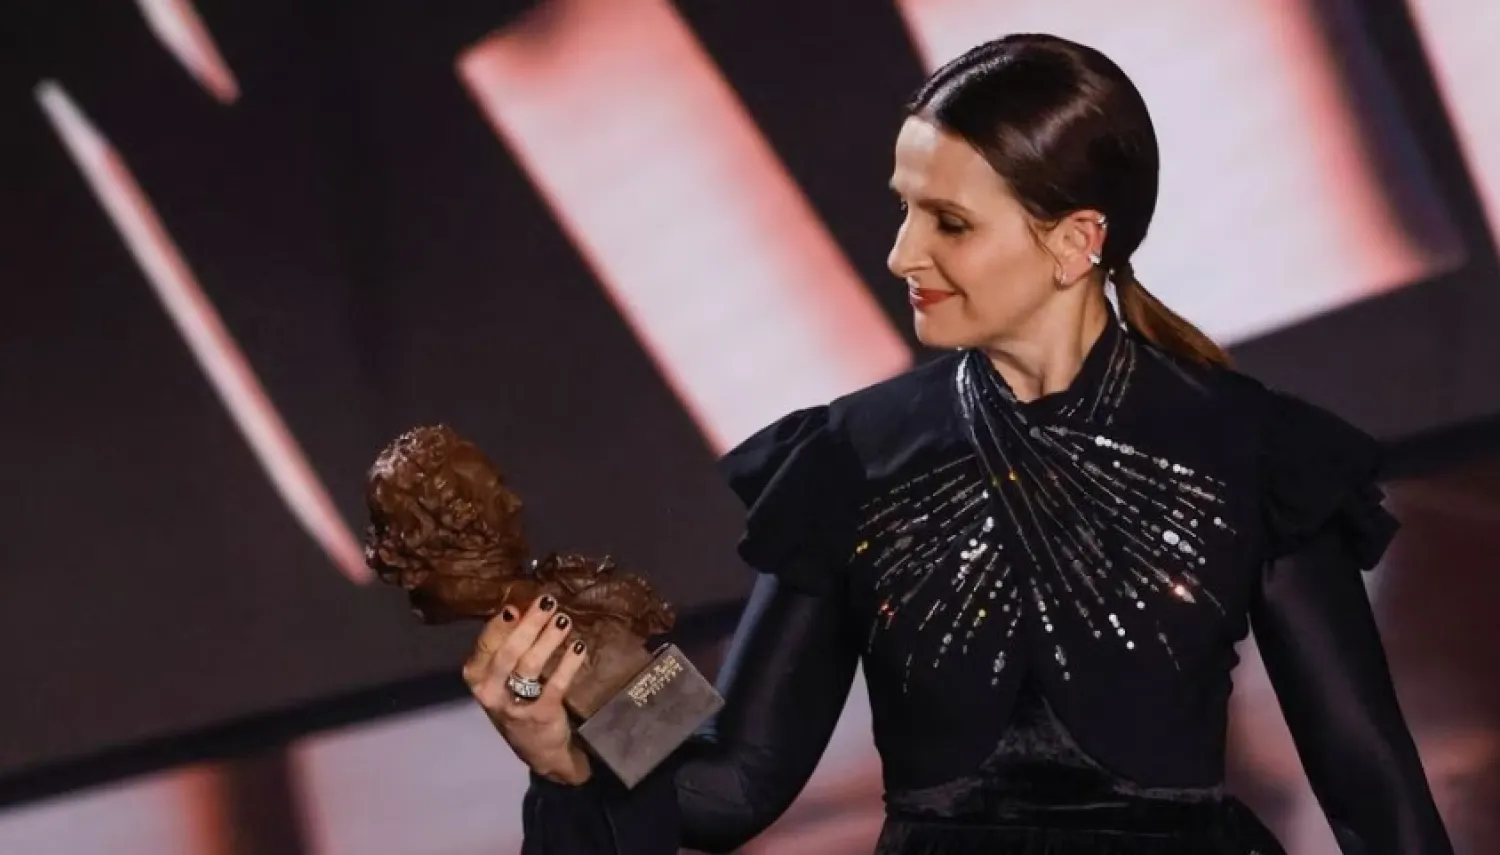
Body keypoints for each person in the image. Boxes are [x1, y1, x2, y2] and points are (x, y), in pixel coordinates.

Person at [460, 34, 1454, 854]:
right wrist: (569, 744)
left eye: (948, 221)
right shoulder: (845, 454)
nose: (901, 254)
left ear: (1075, 241)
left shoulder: (1256, 451)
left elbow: (1372, 789)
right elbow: (733, 778)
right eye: (904, 209)